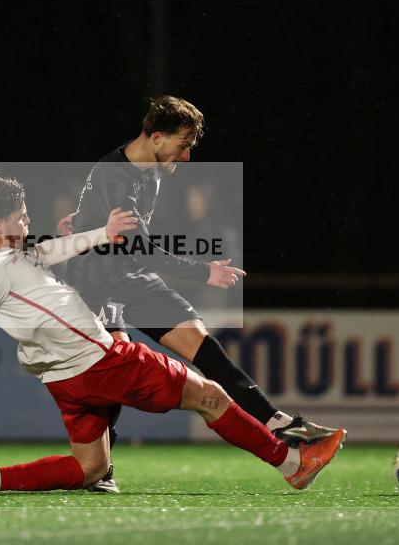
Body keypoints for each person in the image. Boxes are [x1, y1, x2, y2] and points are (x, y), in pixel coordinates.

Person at [0, 174, 345, 496]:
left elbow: (54, 250)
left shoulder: (9, 254)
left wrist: (103, 232)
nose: (28, 221)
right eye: (21, 216)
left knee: (90, 468)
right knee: (211, 396)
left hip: (66, 379)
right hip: (99, 361)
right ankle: (292, 464)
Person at [60, 95, 342, 492]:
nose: (188, 156)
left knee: (206, 349)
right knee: (115, 377)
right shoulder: (116, 175)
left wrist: (83, 219)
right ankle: (101, 471)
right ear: (156, 136)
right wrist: (203, 271)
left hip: (133, 277)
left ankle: (280, 423)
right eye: (184, 143)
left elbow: (116, 230)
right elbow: (137, 245)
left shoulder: (154, 166)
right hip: (97, 282)